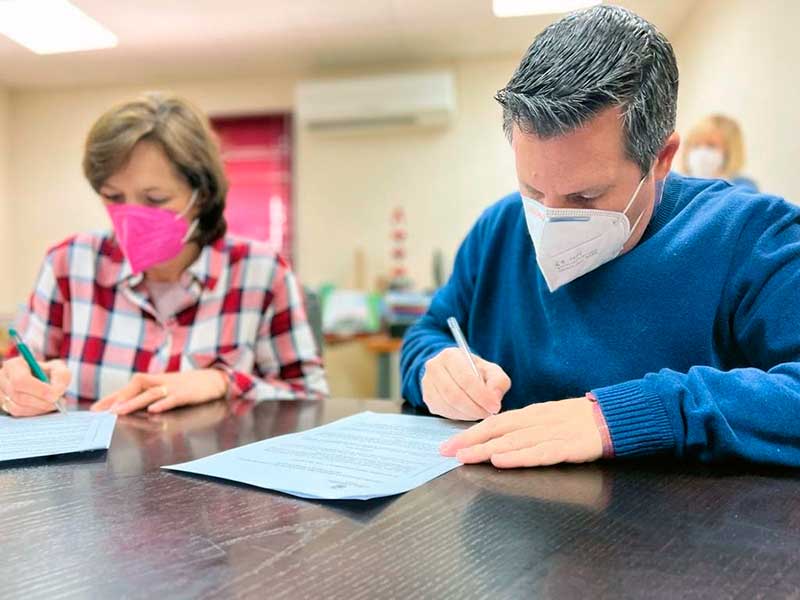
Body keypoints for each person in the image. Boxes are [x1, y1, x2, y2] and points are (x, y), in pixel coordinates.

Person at [401, 5, 800, 468]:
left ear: (661, 158)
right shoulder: (499, 230)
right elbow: (429, 332)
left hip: (671, 513)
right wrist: (434, 368)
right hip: (504, 507)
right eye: (533, 190)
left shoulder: (753, 236)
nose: (550, 219)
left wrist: (629, 416)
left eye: (585, 196)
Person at [0, 93, 328, 417]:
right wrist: (19, 389)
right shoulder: (68, 264)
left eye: (155, 199)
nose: (131, 217)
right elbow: (16, 375)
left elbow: (309, 395)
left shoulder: (262, 273)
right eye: (114, 197)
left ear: (201, 196)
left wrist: (221, 382)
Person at [683, 114, 758, 191]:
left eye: (711, 145)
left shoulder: (744, 189)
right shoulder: (680, 186)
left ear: (730, 152)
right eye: (696, 145)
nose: (701, 151)